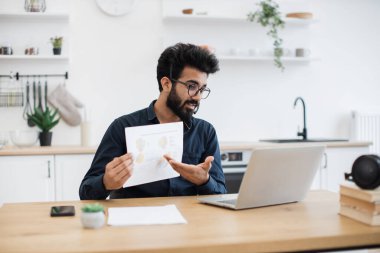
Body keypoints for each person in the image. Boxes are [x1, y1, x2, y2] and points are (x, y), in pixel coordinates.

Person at [79, 43, 227, 200]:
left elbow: (221, 194)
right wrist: (106, 182)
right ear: (166, 84)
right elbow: (85, 191)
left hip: (187, 221)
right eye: (192, 86)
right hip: (135, 220)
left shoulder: (205, 132)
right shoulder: (123, 127)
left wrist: (204, 181)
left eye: (202, 89)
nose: (197, 96)